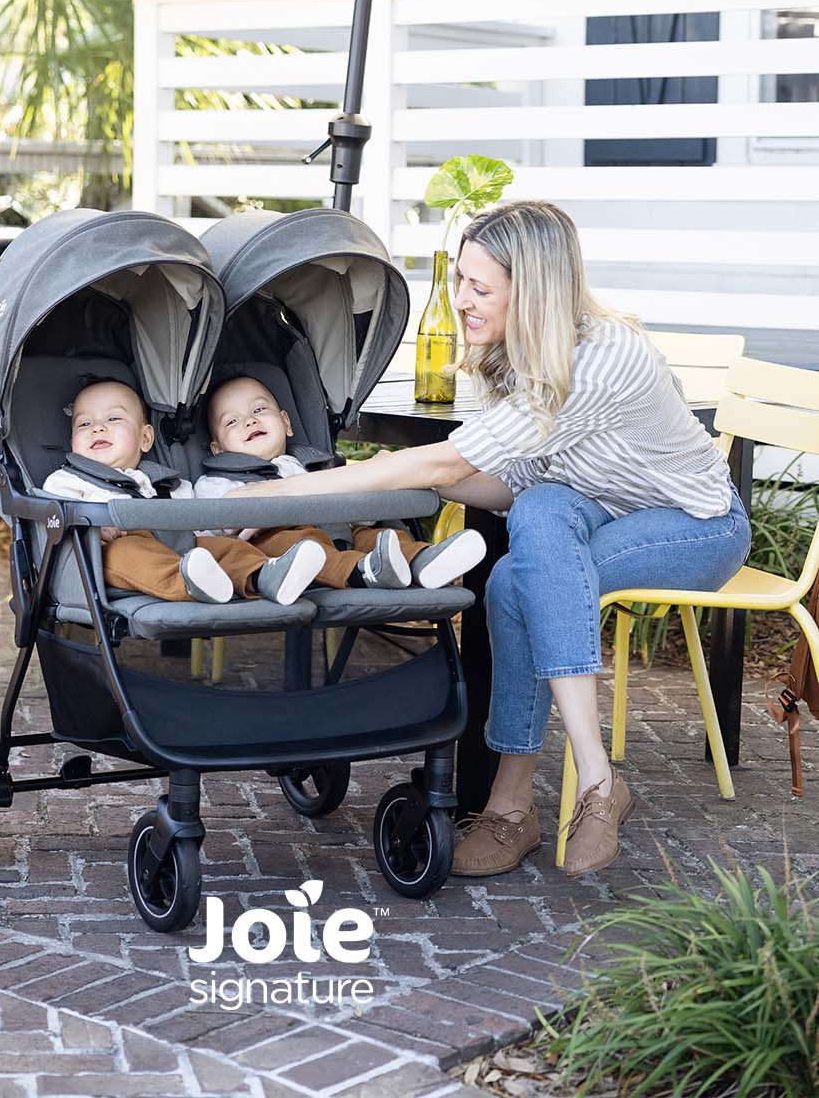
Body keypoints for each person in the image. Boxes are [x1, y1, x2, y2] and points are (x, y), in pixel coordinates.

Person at [222, 202, 751, 878]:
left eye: (480, 287)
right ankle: (546, 797)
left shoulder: (601, 360)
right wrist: (405, 476)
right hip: (596, 515)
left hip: (696, 526)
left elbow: (449, 462)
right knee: (534, 522)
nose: (461, 300)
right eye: (460, 281)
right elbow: (505, 486)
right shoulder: (517, 359)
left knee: (522, 576)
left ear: (531, 290)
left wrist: (269, 495)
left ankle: (545, 793)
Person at [43, 378, 326, 606]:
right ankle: (190, 584)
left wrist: (206, 546)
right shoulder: (66, 481)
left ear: (145, 438)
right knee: (127, 553)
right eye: (84, 423)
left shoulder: (168, 485)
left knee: (224, 547)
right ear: (72, 442)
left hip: (181, 549)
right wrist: (93, 529)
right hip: (111, 553)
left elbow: (198, 529)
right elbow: (55, 520)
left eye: (114, 418)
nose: (98, 428)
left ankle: (263, 576)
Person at [197, 375, 486, 589]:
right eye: (232, 422)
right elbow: (215, 527)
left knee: (380, 534)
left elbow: (355, 500)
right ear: (218, 449)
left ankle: (421, 561)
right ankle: (364, 572)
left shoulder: (316, 464)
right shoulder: (218, 481)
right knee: (302, 544)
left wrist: (368, 503)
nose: (249, 421)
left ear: (286, 422)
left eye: (259, 410)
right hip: (287, 549)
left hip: (342, 529)